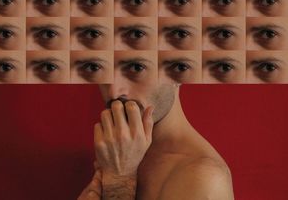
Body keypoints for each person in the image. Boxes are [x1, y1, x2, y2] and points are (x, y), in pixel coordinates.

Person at [78, 57, 234, 199]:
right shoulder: (119, 152)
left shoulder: (204, 178)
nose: (114, 93)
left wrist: (119, 182)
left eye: (136, 68)